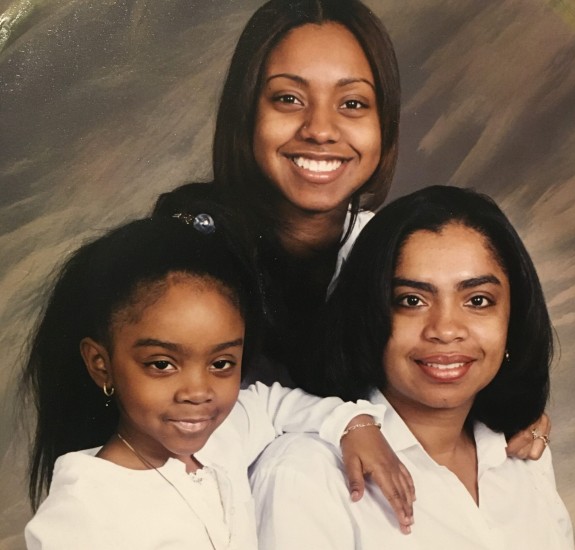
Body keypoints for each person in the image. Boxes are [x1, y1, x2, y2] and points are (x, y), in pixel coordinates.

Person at [154, 0, 549, 459]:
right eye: (288, 99)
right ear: (246, 113)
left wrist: (510, 410)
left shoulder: (388, 250)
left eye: (353, 103)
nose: (321, 129)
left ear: (384, 123)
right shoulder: (184, 251)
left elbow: (440, 379)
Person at [21, 205, 416, 549]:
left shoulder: (223, 437)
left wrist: (353, 424)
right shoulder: (83, 513)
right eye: (162, 364)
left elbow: (271, 403)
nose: (198, 391)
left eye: (222, 363)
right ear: (101, 364)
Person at [250, 185, 574, 549]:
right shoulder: (308, 472)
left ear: (513, 320)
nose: (446, 329)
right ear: (368, 314)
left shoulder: (525, 457)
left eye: (478, 300)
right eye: (412, 300)